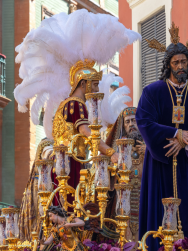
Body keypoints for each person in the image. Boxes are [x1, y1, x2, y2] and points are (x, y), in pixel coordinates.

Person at [13, 10, 141, 212]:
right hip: (69, 164)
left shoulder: (69, 103)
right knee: (70, 211)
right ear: (84, 83)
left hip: (72, 162)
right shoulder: (75, 104)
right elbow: (85, 132)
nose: (98, 90)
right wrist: (110, 153)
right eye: (95, 84)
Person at [136, 22, 188, 250]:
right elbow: (144, 121)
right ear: (168, 64)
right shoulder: (152, 92)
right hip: (160, 163)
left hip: (186, 164)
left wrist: (185, 142)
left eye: (184, 61)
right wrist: (175, 133)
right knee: (158, 213)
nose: (180, 66)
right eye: (175, 62)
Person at [104, 107, 146, 245]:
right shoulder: (118, 150)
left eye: (133, 121)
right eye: (127, 122)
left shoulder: (149, 147)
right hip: (123, 204)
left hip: (145, 199)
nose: (130, 125)